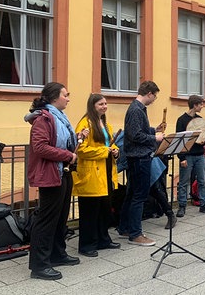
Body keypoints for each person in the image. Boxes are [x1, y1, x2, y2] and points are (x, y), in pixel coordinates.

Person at [24, 82, 88, 280]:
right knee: (47, 219)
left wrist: (77, 137)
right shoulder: (43, 118)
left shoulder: (59, 118)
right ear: (54, 98)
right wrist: (67, 156)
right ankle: (39, 265)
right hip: (51, 173)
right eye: (65, 95)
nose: (68, 98)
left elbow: (60, 141)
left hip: (62, 172)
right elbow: (40, 147)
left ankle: (57, 254)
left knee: (61, 217)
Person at [72, 94, 121, 257]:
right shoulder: (85, 123)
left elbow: (110, 143)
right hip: (92, 172)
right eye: (101, 104)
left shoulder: (105, 123)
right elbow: (82, 149)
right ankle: (86, 244)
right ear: (93, 106)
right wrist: (104, 151)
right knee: (90, 211)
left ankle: (103, 239)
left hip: (105, 170)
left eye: (106, 103)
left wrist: (115, 151)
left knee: (104, 209)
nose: (104, 106)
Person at [117, 81, 164, 246]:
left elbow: (137, 130)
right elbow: (135, 135)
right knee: (139, 196)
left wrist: (153, 130)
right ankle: (136, 234)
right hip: (139, 158)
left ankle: (124, 228)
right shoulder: (136, 109)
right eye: (155, 96)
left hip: (137, 157)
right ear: (149, 93)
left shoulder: (138, 109)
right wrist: (155, 138)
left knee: (131, 194)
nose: (154, 100)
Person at [175, 95, 205, 217]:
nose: (202, 106)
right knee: (183, 182)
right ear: (195, 105)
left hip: (199, 154)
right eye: (201, 104)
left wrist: (204, 140)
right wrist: (182, 158)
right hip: (187, 156)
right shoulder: (181, 120)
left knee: (202, 180)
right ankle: (182, 206)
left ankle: (204, 204)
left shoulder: (200, 120)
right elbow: (179, 141)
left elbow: (204, 136)